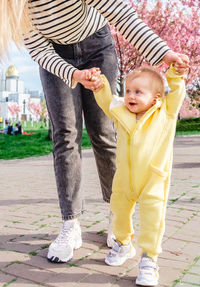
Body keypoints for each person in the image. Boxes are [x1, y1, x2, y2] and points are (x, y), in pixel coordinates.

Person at [0, 0, 189, 263]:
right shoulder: (12, 6)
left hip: (97, 45)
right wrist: (74, 75)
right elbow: (40, 51)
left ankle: (117, 216)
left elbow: (121, 13)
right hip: (55, 57)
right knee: (65, 135)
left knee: (104, 132)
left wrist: (162, 53)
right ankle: (70, 223)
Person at [92, 63, 188, 286]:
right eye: (127, 91)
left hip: (153, 179)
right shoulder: (121, 112)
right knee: (119, 212)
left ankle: (149, 260)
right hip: (124, 179)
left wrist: (175, 74)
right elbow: (107, 102)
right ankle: (124, 243)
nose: (130, 96)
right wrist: (100, 85)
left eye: (137, 92)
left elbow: (176, 92)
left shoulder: (166, 113)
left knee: (152, 219)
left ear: (155, 98)